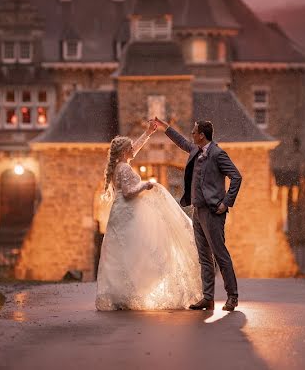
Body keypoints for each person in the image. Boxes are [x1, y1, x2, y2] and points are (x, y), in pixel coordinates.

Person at [95, 120, 202, 311]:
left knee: (122, 252)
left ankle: (119, 293)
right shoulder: (124, 168)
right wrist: (146, 184)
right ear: (123, 152)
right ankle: (131, 291)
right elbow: (129, 191)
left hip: (120, 211)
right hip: (127, 212)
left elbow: (134, 151)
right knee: (135, 250)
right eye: (129, 149)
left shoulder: (119, 165)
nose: (132, 151)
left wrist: (148, 133)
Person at [155, 117, 241, 312]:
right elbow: (182, 142)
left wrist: (225, 203)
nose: (192, 134)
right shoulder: (195, 149)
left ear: (202, 135)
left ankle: (232, 297)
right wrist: (165, 127)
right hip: (197, 210)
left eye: (194, 132)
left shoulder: (218, 154)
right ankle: (208, 298)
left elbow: (236, 176)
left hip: (213, 212)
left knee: (220, 255)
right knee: (204, 257)